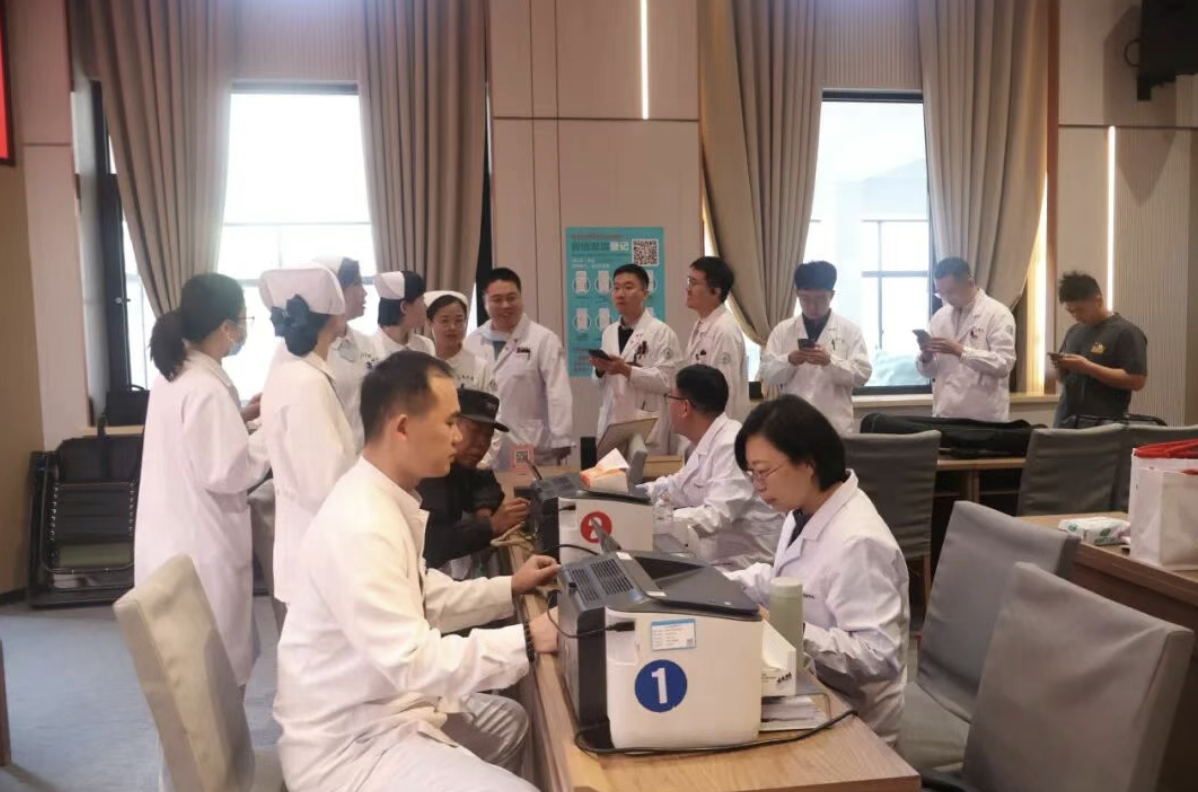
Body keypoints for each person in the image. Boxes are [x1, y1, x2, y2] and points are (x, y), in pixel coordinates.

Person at [274, 352, 561, 792]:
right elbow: (413, 660)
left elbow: (424, 595)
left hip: (387, 705)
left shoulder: (384, 497)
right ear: (403, 428)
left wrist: (510, 586)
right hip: (351, 744)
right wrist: (526, 639)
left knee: (509, 721)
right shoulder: (361, 523)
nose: (459, 436)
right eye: (449, 422)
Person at [729, 395, 909, 746]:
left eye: (763, 472)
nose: (758, 486)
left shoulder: (858, 542)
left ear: (807, 462)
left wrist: (790, 629)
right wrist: (718, 584)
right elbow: (785, 582)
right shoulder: (804, 509)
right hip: (812, 686)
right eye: (752, 474)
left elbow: (878, 655)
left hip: (856, 720)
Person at [135, 273, 270, 689]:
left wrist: (241, 418)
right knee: (214, 674)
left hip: (171, 536)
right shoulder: (205, 388)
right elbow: (228, 471)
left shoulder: (174, 375)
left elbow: (194, 441)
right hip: (202, 545)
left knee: (186, 671)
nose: (244, 330)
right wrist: (274, 430)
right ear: (226, 327)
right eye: (243, 319)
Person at [259, 267, 356, 620]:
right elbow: (324, 485)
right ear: (334, 317)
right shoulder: (308, 385)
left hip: (308, 545)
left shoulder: (289, 374)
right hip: (320, 552)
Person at [644, 364, 782, 570]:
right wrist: (632, 493)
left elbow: (716, 515)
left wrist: (655, 518)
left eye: (670, 398)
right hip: (720, 553)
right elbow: (676, 487)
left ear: (685, 407)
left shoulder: (730, 444)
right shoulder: (705, 442)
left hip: (747, 563)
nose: (668, 406)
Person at [465, 268, 574, 468]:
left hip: (530, 441)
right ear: (485, 301)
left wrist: (561, 437)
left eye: (511, 298)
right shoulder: (472, 341)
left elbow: (558, 391)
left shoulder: (543, 339)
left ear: (521, 298)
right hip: (484, 443)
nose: (505, 305)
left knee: (530, 486)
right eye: (497, 300)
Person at [417, 388, 529, 574]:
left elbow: (485, 480)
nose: (482, 443)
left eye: (488, 435)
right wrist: (490, 526)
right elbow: (431, 544)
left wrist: (483, 511)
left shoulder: (458, 464)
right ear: (452, 425)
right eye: (475, 430)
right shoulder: (428, 471)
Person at [759, 261, 872, 434]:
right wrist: (789, 360)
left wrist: (830, 362)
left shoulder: (850, 330)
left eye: (820, 299)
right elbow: (767, 374)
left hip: (834, 426)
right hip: (792, 426)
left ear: (831, 295)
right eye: (806, 299)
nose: (813, 307)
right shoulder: (783, 330)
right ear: (797, 293)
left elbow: (862, 375)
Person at [590, 263, 683, 454]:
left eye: (628, 287)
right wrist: (600, 370)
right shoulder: (609, 332)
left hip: (646, 427)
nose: (620, 294)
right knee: (612, 473)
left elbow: (667, 382)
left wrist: (627, 370)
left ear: (644, 293)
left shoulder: (661, 333)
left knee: (646, 472)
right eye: (616, 288)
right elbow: (599, 383)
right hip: (613, 424)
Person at [916, 257, 1017, 421]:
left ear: (970, 283)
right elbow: (933, 372)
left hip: (984, 418)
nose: (946, 298)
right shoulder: (939, 317)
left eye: (951, 292)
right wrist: (926, 357)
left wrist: (959, 351)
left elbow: (1004, 364)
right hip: (945, 413)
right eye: (940, 293)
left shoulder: (998, 314)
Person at [1053, 271, 1148, 427]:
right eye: (1071, 311)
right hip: (1066, 420)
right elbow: (1064, 380)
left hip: (1103, 424)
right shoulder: (1074, 331)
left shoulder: (1125, 332)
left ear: (1098, 300)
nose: (1076, 315)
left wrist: (1088, 367)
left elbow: (1137, 380)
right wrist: (1061, 365)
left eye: (1080, 310)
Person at [315, 255, 378, 449]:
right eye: (357, 284)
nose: (364, 293)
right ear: (336, 291)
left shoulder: (366, 343)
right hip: (331, 455)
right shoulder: (311, 350)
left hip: (366, 454)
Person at [685, 256, 749, 422]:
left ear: (715, 291)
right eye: (688, 281)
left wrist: (713, 433)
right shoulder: (702, 323)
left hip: (717, 428)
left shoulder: (725, 330)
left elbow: (725, 393)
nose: (688, 289)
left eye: (693, 283)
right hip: (701, 424)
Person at [426, 290, 498, 393]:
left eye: (459, 320)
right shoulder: (420, 364)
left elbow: (492, 401)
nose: (452, 327)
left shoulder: (479, 367)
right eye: (445, 321)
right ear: (430, 323)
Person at [372, 270, 436, 359]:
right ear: (404, 307)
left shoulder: (425, 345)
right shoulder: (369, 349)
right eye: (422, 299)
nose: (426, 306)